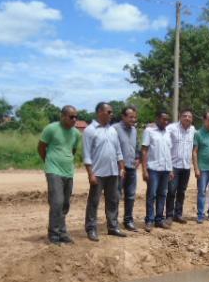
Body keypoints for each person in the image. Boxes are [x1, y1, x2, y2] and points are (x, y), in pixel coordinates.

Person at [38, 105, 81, 245]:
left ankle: (62, 232)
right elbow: (41, 147)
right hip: (53, 170)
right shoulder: (51, 129)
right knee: (56, 202)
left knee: (65, 204)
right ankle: (53, 235)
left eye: (76, 117)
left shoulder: (76, 134)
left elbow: (72, 151)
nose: (74, 119)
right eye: (71, 117)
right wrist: (48, 162)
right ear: (62, 116)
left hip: (68, 171)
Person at [83, 102, 126, 241]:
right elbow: (87, 154)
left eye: (111, 112)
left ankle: (113, 227)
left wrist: (122, 167)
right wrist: (91, 173)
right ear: (100, 112)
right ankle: (91, 229)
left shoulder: (112, 130)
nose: (111, 114)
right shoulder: (90, 130)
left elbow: (118, 150)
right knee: (94, 202)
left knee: (113, 200)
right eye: (109, 112)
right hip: (98, 173)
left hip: (113, 172)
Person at [141, 111, 173, 233]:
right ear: (157, 119)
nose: (165, 122)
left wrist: (170, 169)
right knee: (151, 195)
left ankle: (159, 219)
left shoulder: (168, 133)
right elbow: (144, 150)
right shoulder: (149, 131)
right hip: (153, 168)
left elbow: (168, 152)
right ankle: (149, 220)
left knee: (162, 195)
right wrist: (144, 170)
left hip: (165, 169)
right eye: (163, 119)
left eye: (167, 120)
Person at [166, 109, 195, 224]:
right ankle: (169, 215)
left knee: (182, 192)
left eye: (189, 116)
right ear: (180, 117)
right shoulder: (171, 128)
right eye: (185, 116)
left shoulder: (193, 130)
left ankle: (178, 214)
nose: (187, 118)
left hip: (186, 166)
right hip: (174, 166)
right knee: (171, 191)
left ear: (192, 119)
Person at [113, 106, 140, 231]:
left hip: (132, 168)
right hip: (119, 169)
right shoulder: (115, 129)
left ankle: (128, 221)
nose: (133, 119)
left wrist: (138, 157)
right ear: (123, 117)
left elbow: (137, 146)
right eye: (131, 117)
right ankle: (113, 222)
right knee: (116, 195)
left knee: (130, 195)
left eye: (135, 117)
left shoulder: (134, 130)